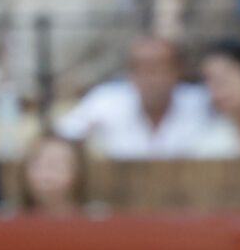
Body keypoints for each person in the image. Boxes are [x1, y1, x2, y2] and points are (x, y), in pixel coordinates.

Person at [55, 33, 215, 158]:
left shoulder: (202, 102)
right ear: (130, 73)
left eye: (158, 69)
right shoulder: (105, 101)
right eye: (140, 69)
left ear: (178, 70)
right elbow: (64, 137)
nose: (150, 79)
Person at [15, 131, 92, 215]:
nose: (46, 173)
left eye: (55, 164)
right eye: (38, 164)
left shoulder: (93, 219)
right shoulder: (10, 219)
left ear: (78, 171)